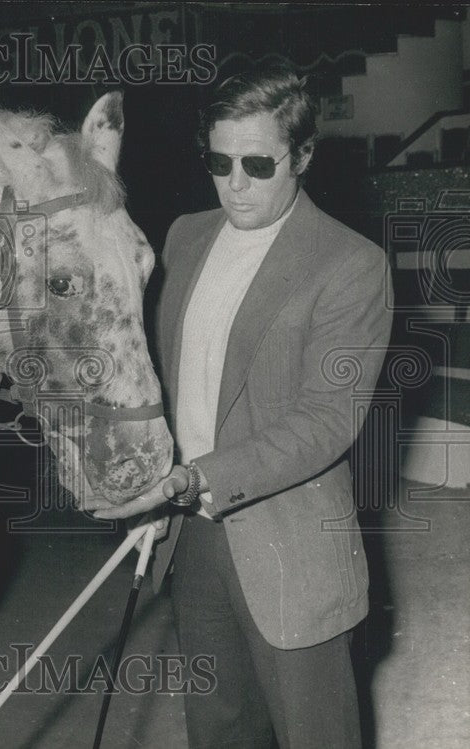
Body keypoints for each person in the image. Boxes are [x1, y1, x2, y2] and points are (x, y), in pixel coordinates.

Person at [87, 63, 393, 747]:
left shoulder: (350, 263)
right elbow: (161, 375)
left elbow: (327, 421)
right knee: (219, 731)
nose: (236, 183)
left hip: (291, 545)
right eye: (218, 161)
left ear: (304, 155)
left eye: (258, 163)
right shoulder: (186, 236)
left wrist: (202, 474)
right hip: (193, 537)